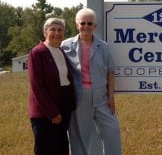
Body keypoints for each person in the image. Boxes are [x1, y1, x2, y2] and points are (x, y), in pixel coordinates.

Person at [61, 8, 121, 155]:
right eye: (83, 23)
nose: (86, 27)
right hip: (78, 98)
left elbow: (110, 72)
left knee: (112, 132)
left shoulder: (104, 47)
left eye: (89, 23)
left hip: (102, 97)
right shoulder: (65, 46)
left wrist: (111, 96)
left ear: (95, 26)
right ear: (77, 25)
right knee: (79, 139)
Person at [28, 18, 76, 155]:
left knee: (61, 147)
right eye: (52, 29)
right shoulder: (37, 52)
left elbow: (66, 78)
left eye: (60, 30)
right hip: (45, 112)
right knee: (46, 148)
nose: (57, 33)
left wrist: (70, 105)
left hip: (64, 106)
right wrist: (52, 112)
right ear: (45, 32)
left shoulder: (60, 52)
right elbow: (37, 85)